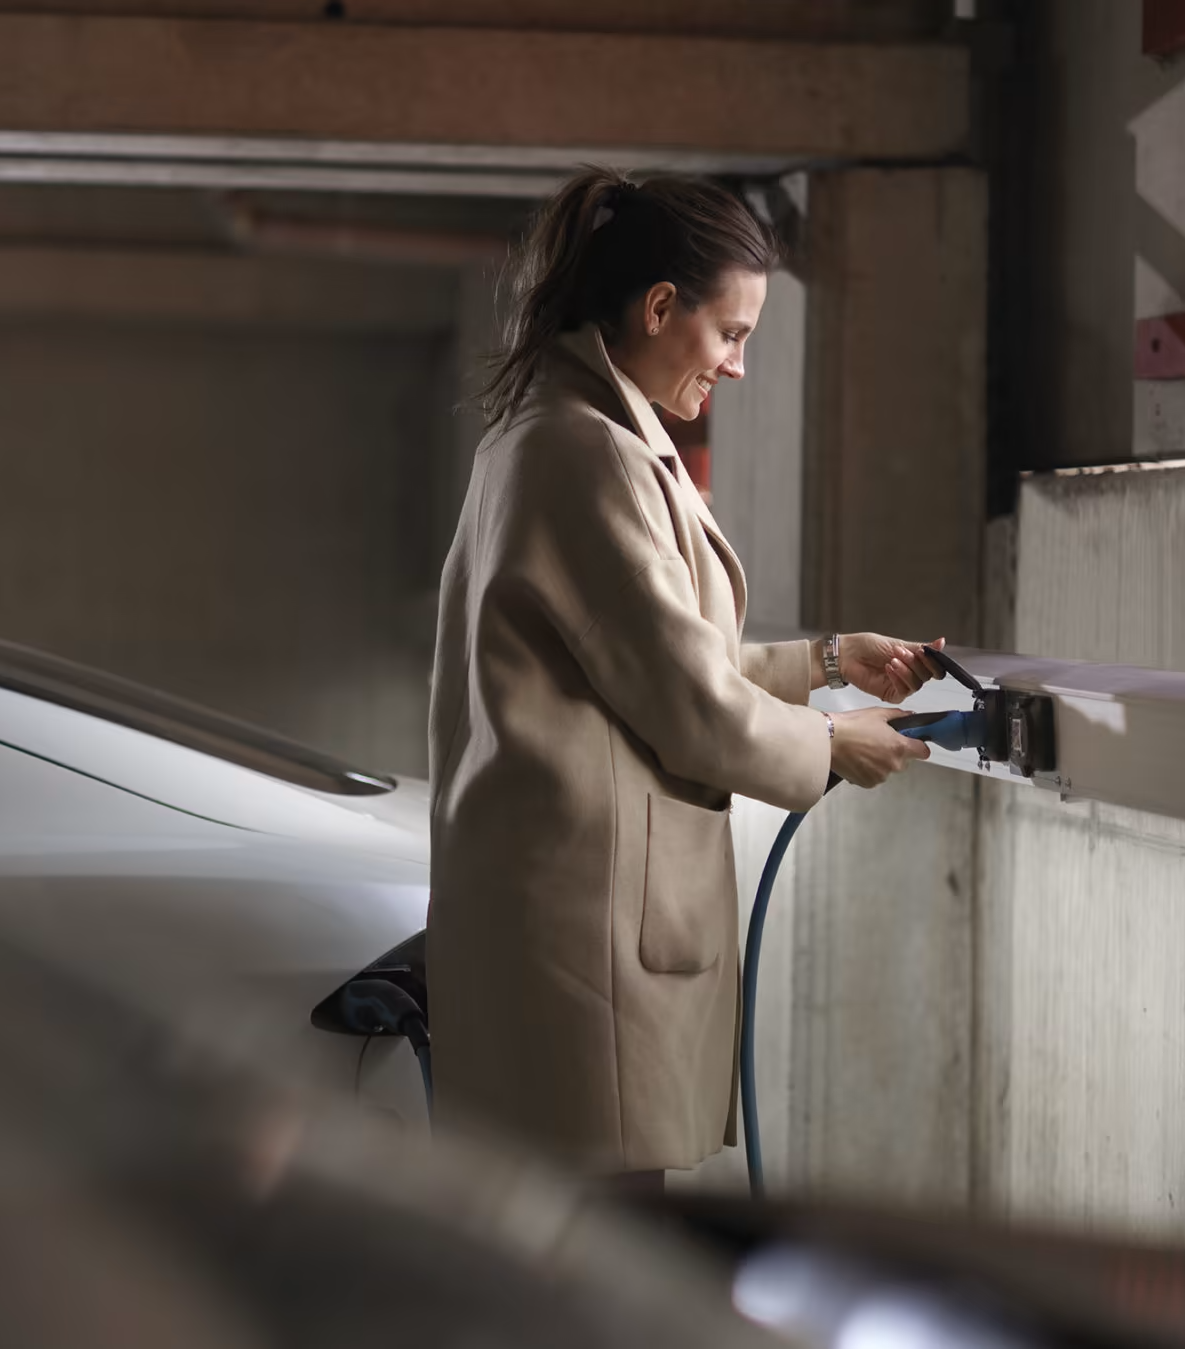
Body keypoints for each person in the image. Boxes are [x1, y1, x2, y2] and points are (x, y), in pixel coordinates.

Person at [426, 168, 942, 1192]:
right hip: (586, 941)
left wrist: (829, 661)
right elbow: (687, 701)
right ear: (661, 306)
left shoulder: (557, 435)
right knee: (603, 1265)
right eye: (731, 333)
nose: (740, 366)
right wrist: (834, 744)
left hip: (566, 927)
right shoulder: (584, 453)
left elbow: (647, 659)